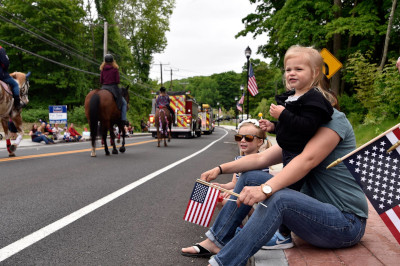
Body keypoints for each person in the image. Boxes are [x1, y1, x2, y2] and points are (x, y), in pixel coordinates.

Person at [181, 107, 368, 266]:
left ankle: (226, 262)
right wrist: (220, 169)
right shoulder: (303, 130)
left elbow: (306, 160)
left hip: (346, 223)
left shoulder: (333, 122)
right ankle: (217, 240)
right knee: (250, 176)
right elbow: (262, 158)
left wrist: (264, 189)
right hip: (315, 216)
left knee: (280, 199)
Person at [268, 45, 334, 191]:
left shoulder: (313, 99)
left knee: (286, 191)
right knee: (284, 188)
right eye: (288, 70)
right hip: (287, 152)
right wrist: (273, 126)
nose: (292, 73)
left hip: (299, 155)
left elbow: (307, 126)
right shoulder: (291, 98)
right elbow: (291, 127)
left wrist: (283, 114)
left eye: (298, 69)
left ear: (315, 73)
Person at [213, 119, 270, 207]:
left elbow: (260, 187)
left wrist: (235, 191)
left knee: (226, 202)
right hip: (242, 197)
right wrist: (221, 186)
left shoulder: (261, 162)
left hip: (256, 203)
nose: (242, 140)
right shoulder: (239, 160)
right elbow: (234, 183)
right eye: (239, 137)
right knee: (219, 199)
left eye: (248, 138)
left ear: (260, 142)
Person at [100, 54, 128, 126]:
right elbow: (117, 81)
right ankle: (123, 119)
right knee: (124, 103)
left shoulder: (102, 70)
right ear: (113, 61)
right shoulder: (115, 70)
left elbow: (101, 81)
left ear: (105, 62)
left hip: (104, 87)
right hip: (113, 88)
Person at [0, 45, 25, 109]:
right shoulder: (1, 49)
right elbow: (5, 62)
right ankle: (17, 104)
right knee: (15, 84)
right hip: (2, 75)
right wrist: (5, 70)